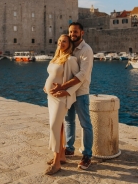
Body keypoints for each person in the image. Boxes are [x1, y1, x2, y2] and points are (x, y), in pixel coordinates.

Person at [50, 22, 94, 170]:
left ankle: (87, 155)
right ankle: (69, 148)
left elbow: (82, 74)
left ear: (82, 32)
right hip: (68, 92)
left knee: (85, 124)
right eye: (70, 32)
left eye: (75, 32)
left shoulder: (86, 50)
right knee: (69, 121)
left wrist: (62, 86)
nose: (72, 34)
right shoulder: (70, 47)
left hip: (80, 92)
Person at [43, 34, 81, 175]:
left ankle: (56, 163)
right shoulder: (55, 58)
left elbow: (79, 80)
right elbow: (51, 75)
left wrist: (67, 92)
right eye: (59, 40)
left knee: (54, 126)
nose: (61, 43)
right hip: (51, 97)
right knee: (59, 127)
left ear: (69, 44)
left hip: (60, 98)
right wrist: (46, 85)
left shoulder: (70, 59)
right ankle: (62, 156)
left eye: (64, 41)